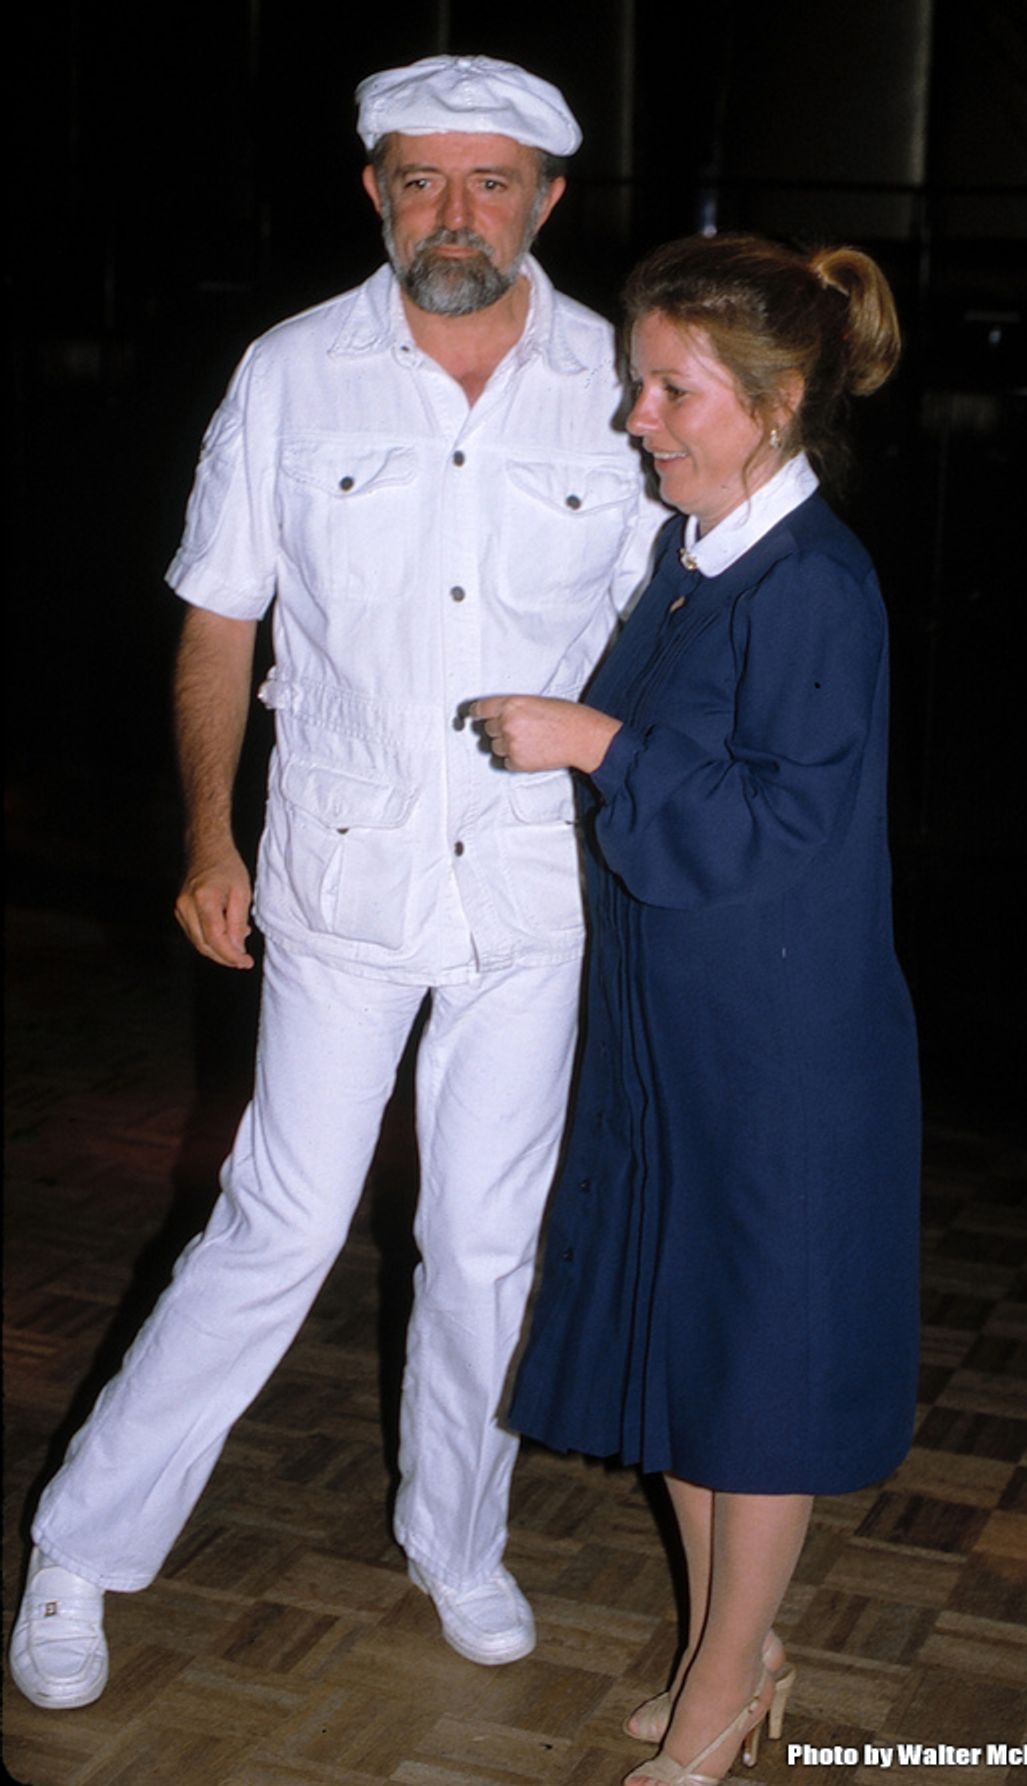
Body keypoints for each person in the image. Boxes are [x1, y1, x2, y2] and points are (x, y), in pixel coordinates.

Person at [9, 54, 660, 1708]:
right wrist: (209, 832)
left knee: (487, 1242)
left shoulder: (624, 381)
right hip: (340, 869)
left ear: (549, 200)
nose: (456, 212)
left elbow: (677, 634)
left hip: (536, 891)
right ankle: (80, 1550)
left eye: (492, 181)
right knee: (277, 1223)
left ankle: (458, 1536)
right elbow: (220, 611)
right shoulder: (293, 371)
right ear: (374, 188)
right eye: (422, 179)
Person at [474, 232, 921, 1785]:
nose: (638, 418)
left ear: (779, 401)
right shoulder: (695, 556)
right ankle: (741, 1643)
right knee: (684, 1332)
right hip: (677, 1017)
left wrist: (598, 743)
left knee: (759, 1362)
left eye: (672, 389)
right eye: (636, 383)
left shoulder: (816, 588)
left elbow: (778, 826)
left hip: (783, 1046)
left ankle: (726, 1679)